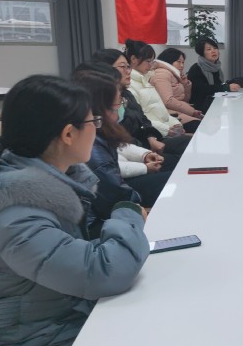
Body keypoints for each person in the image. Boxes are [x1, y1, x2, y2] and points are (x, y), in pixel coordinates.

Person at [0, 75, 149, 346]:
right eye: (93, 121)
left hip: (48, 328)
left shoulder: (40, 181)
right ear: (68, 134)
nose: (98, 128)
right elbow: (104, 272)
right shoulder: (16, 214)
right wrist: (128, 214)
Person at [72, 70, 171, 233]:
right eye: (119, 103)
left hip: (111, 208)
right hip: (97, 225)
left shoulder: (100, 132)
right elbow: (115, 196)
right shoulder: (90, 143)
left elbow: (120, 151)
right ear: (101, 108)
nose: (122, 107)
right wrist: (141, 208)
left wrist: (144, 155)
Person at [91, 49, 190, 160]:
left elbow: (143, 119)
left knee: (188, 145)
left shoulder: (126, 94)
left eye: (128, 67)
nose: (128, 71)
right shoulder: (100, 102)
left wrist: (151, 137)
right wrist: (146, 151)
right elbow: (120, 141)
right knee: (179, 159)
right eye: (123, 67)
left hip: (147, 143)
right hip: (132, 153)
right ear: (105, 69)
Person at [123, 39, 186, 138]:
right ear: (133, 59)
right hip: (153, 134)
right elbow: (141, 118)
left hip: (165, 129)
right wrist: (167, 130)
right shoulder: (130, 85)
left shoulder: (146, 80)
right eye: (148, 61)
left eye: (152, 61)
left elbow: (161, 112)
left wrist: (175, 123)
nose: (151, 65)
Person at [151, 47, 203, 133]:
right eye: (178, 62)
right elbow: (168, 101)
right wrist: (192, 111)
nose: (182, 65)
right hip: (169, 114)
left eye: (183, 62)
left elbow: (184, 100)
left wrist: (186, 84)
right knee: (202, 126)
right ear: (169, 60)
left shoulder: (175, 75)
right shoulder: (162, 73)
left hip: (179, 111)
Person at [187, 38, 240, 112]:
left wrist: (228, 85)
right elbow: (201, 89)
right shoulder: (196, 69)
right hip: (201, 107)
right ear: (202, 53)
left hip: (216, 102)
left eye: (215, 48)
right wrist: (226, 87)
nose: (213, 51)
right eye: (209, 49)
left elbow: (217, 86)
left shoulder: (216, 68)